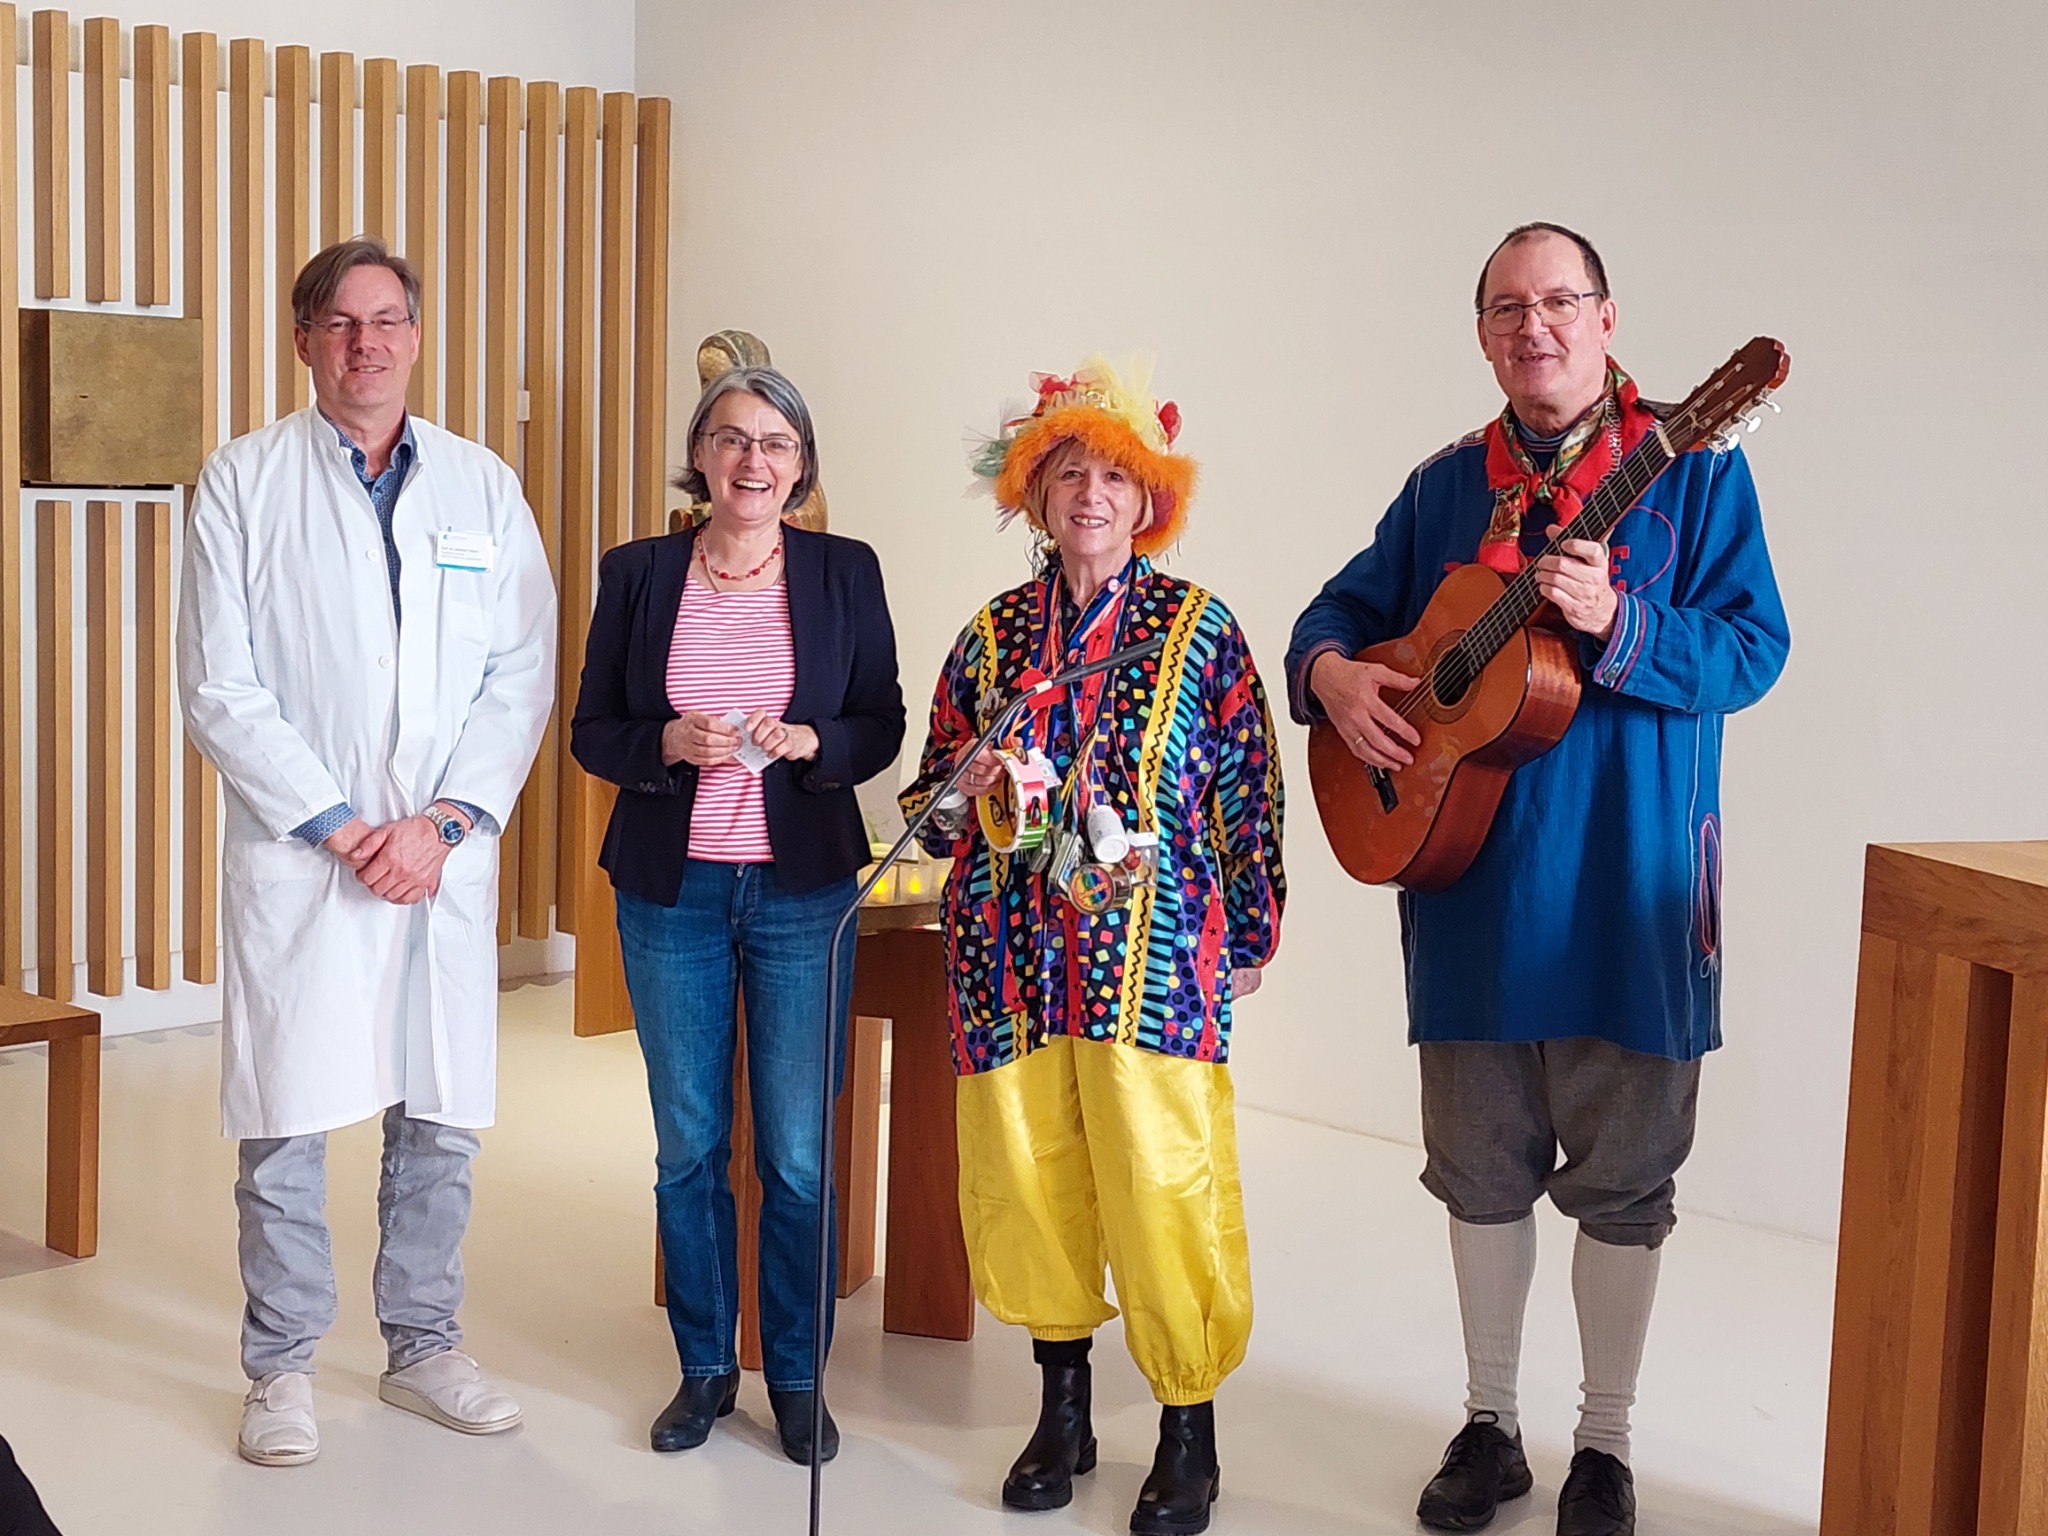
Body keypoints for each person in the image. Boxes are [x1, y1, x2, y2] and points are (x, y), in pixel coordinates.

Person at [1285, 224, 1790, 1536]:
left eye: (1560, 301)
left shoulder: (1697, 472)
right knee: (1478, 1165)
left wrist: (1626, 626)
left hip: (1630, 888)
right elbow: (1332, 622)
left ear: (1609, 318)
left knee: (1627, 1175)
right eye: (1509, 307)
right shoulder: (1447, 487)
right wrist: (1335, 680)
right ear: (1483, 333)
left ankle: (1607, 1446)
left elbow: (1754, 652)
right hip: (1471, 891)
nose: (1536, 326)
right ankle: (1491, 1422)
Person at [178, 238, 557, 1467]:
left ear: (413, 334)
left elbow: (519, 673)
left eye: (387, 320)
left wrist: (443, 823)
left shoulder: (482, 487)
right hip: (309, 855)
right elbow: (219, 686)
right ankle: (280, 1365)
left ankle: (423, 1346)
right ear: (302, 341)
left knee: (436, 1115)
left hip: (437, 854)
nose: (366, 344)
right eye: (340, 324)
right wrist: (342, 827)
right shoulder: (240, 481)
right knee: (288, 1117)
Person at [902, 358, 1285, 1536]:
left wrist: (1252, 924)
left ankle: (1186, 1426)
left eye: (1114, 475)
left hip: (1154, 966)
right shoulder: (991, 636)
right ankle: (1059, 1409)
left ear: (1147, 499)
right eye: (1067, 471)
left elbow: (1246, 788)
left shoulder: (1198, 630)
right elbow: (928, 800)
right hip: (1005, 958)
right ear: (1032, 491)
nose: (1090, 494)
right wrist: (961, 785)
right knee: (1028, 1181)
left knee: (1162, 1187)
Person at [570, 365, 904, 1463]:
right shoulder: (637, 573)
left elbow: (881, 719)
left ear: (800, 466)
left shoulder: (842, 571)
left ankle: (797, 1376)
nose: (751, 461)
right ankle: (707, 1368)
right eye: (729, 440)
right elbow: (592, 730)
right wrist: (663, 741)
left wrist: (818, 744)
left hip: (803, 891)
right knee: (688, 1147)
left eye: (773, 443)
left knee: (799, 1155)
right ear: (699, 457)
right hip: (673, 892)